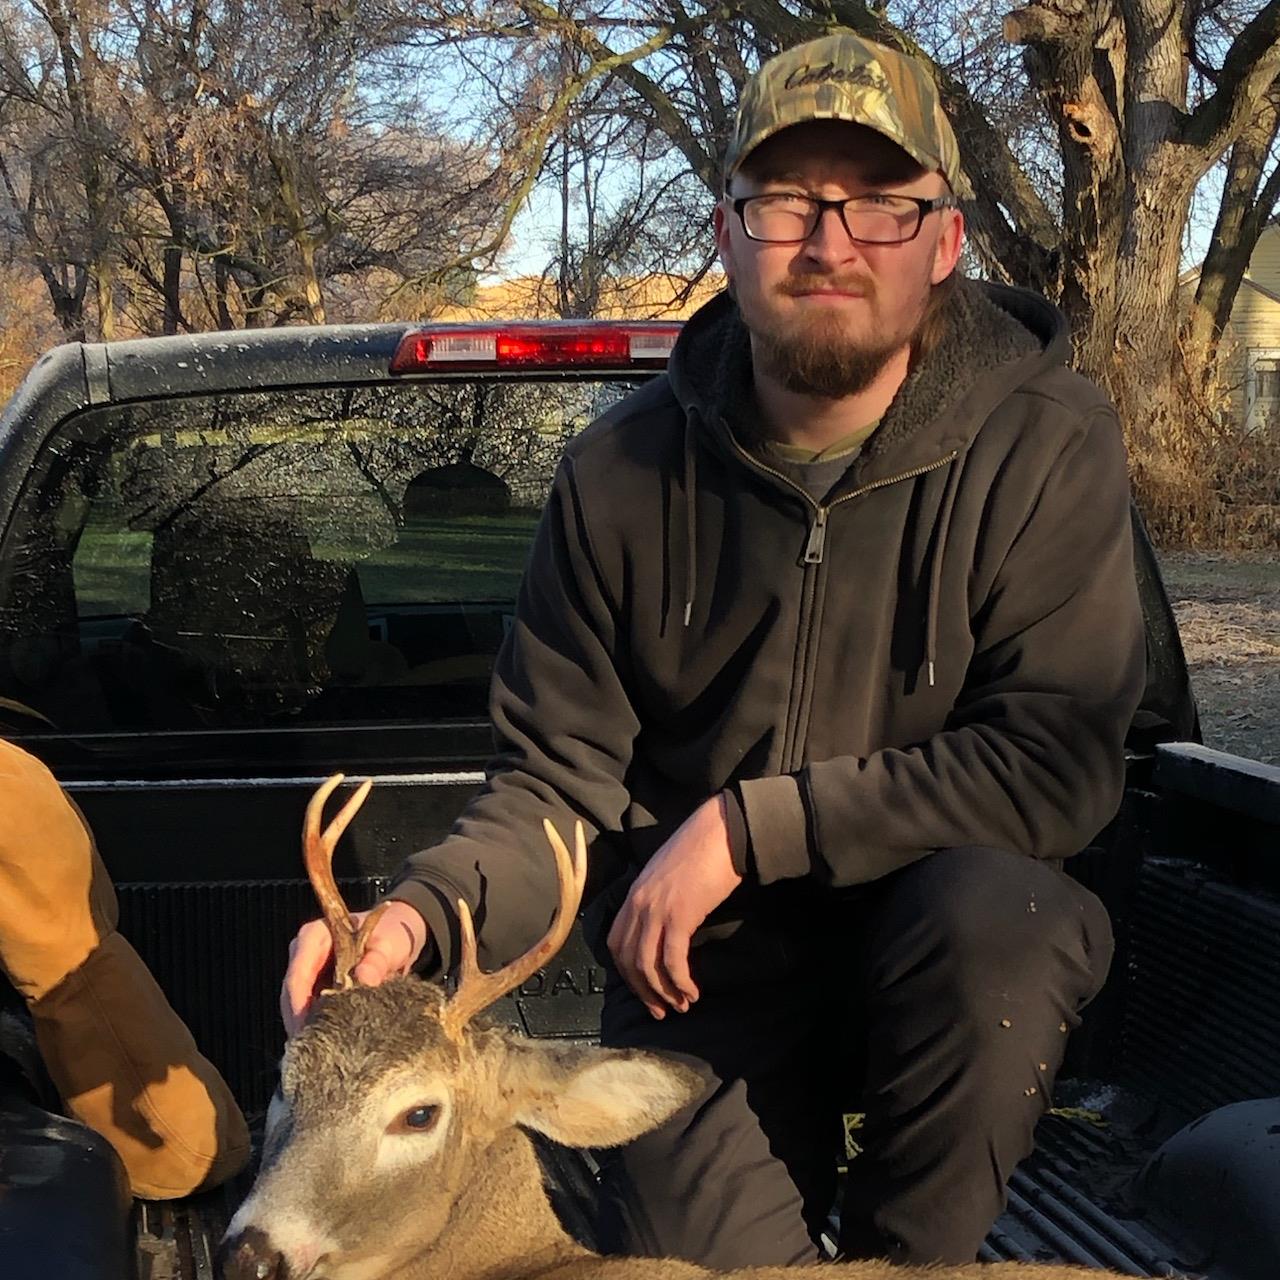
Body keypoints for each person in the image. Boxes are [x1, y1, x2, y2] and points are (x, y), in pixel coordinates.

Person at [281, 29, 1145, 1268]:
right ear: (727, 231)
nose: (829, 241)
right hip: (709, 984)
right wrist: (412, 919)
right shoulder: (620, 473)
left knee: (996, 912)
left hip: (946, 973)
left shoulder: (1044, 443)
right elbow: (553, 789)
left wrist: (746, 826)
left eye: (880, 206)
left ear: (945, 241)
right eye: (786, 200)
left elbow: (1055, 763)